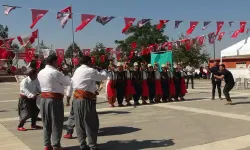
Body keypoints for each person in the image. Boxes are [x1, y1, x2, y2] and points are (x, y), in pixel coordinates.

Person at [71, 56, 107, 150]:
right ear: (88, 62)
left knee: (79, 123)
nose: (92, 63)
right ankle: (92, 146)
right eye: (91, 62)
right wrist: (102, 69)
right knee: (90, 122)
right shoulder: (90, 70)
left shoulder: (77, 70)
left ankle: (82, 144)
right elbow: (103, 76)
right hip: (85, 99)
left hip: (76, 99)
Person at [38, 54, 71, 150]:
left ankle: (47, 145)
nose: (58, 63)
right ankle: (56, 145)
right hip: (54, 100)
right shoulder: (56, 72)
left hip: (44, 99)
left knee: (46, 123)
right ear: (53, 62)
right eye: (57, 61)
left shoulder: (41, 72)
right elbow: (68, 82)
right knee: (56, 122)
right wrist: (66, 74)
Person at [17, 67, 42, 131]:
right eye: (36, 74)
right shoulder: (24, 81)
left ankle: (33, 125)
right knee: (26, 113)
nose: (37, 75)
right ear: (31, 74)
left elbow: (38, 87)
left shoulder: (36, 80)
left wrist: (40, 91)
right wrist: (31, 95)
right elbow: (24, 90)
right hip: (25, 98)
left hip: (34, 98)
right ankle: (20, 126)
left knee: (35, 111)